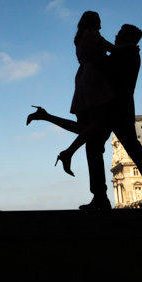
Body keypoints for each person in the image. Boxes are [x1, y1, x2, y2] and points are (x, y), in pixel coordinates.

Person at [29, 23, 142, 210]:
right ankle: (104, 196)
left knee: (127, 151)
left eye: (120, 34)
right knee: (102, 148)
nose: (116, 36)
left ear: (129, 38)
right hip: (111, 107)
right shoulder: (124, 53)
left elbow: (104, 65)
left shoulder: (128, 54)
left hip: (117, 109)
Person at [54, 10, 114, 177]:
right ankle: (68, 152)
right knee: (97, 124)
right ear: (93, 21)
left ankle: (67, 151)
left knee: (87, 126)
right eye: (98, 20)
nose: (100, 23)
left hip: (83, 76)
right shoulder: (91, 34)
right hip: (93, 77)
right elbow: (112, 49)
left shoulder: (81, 36)